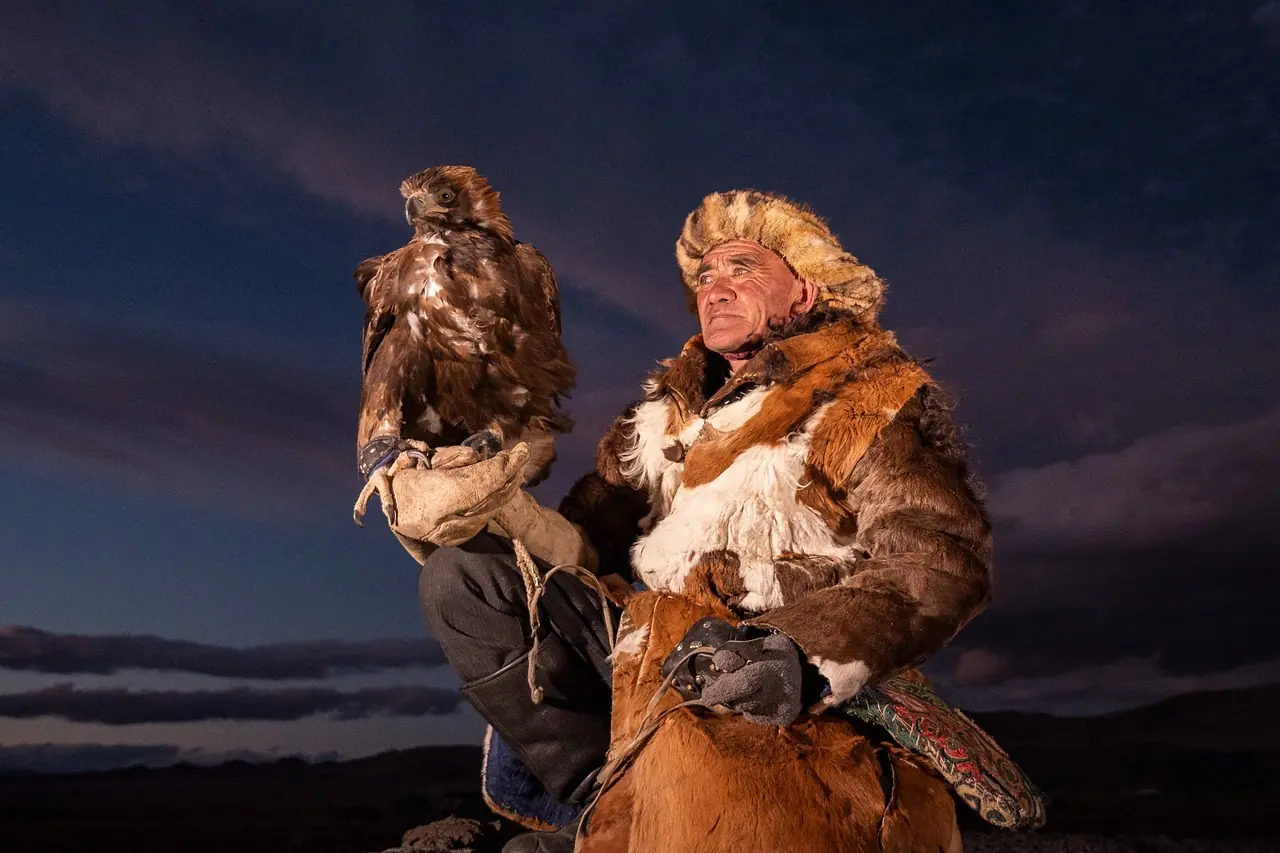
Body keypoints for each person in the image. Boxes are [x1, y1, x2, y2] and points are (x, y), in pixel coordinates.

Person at [389, 190, 992, 853]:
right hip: (641, 637)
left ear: (804, 291)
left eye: (742, 267)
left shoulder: (870, 398)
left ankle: (656, 817)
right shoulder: (659, 415)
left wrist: (802, 650)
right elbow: (584, 540)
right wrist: (486, 507)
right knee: (462, 578)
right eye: (704, 275)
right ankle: (610, 799)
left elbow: (937, 557)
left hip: (760, 640)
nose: (715, 287)